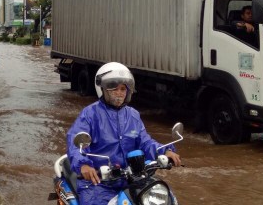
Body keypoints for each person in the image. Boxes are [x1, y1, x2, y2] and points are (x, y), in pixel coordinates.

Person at [66, 62, 182, 205]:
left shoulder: (133, 115)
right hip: (98, 182)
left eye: (123, 89)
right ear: (103, 88)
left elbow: (145, 141)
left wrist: (165, 151)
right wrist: (83, 165)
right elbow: (76, 143)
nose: (119, 92)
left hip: (131, 179)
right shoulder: (90, 114)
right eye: (114, 88)